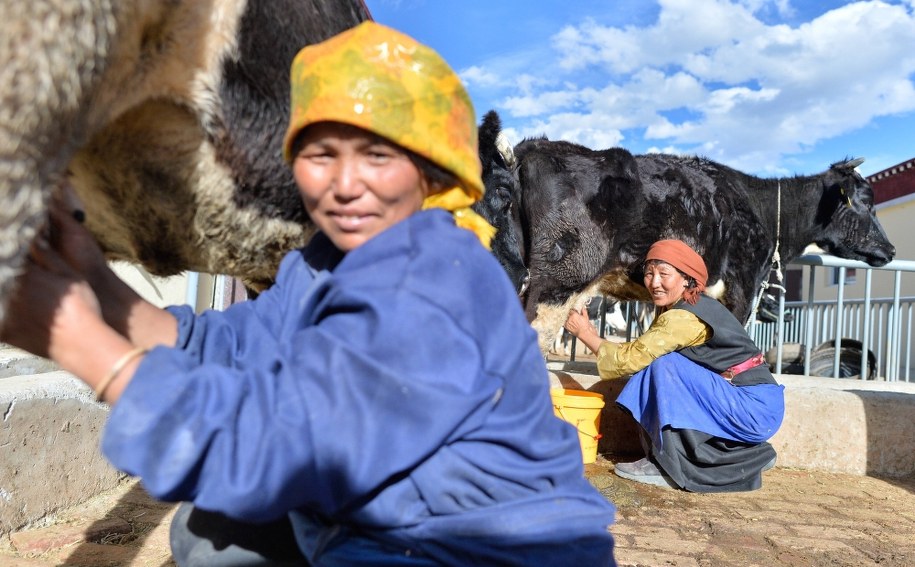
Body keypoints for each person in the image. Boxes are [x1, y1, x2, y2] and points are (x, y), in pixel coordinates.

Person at [2, 21, 616, 566]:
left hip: (474, 546)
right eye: (320, 153)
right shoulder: (326, 260)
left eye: (377, 155)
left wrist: (73, 337)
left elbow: (275, 449)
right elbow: (236, 344)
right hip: (394, 516)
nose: (345, 184)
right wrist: (95, 281)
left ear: (432, 172)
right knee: (212, 530)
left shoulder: (436, 282)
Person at [564, 239, 785, 493]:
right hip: (751, 402)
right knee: (657, 366)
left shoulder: (684, 316)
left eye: (664, 274)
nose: (654, 282)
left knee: (663, 366)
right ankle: (747, 457)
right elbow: (640, 353)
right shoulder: (681, 306)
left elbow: (631, 359)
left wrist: (585, 333)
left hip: (754, 407)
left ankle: (667, 466)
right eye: (649, 273)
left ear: (687, 279)